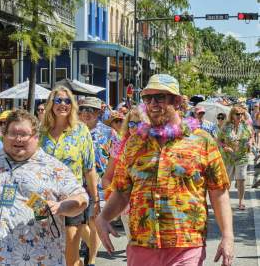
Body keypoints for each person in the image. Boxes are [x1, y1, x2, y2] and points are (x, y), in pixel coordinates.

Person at [96, 74, 234, 266]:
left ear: (176, 101)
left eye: (160, 97)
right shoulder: (134, 143)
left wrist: (228, 236)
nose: (152, 103)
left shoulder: (202, 141)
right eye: (147, 98)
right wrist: (103, 217)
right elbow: (121, 191)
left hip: (186, 244)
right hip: (142, 244)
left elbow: (218, 191)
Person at [0, 110, 88, 266]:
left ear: (36, 137)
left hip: (39, 259)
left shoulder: (53, 168)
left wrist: (61, 206)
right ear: (3, 135)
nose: (18, 139)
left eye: (24, 134)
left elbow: (81, 199)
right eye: (12, 133)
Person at [40, 86, 98, 266]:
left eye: (67, 101)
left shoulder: (81, 131)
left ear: (72, 105)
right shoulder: (40, 132)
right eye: (58, 100)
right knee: (45, 252)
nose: (62, 104)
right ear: (51, 104)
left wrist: (95, 200)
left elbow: (89, 168)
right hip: (44, 199)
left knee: (70, 254)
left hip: (73, 199)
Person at [78, 96, 118, 266]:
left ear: (99, 112)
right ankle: (89, 245)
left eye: (91, 110)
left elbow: (118, 159)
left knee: (94, 222)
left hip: (100, 184)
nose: (87, 113)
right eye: (83, 109)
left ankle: (91, 260)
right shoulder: (73, 131)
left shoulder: (109, 133)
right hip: (76, 184)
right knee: (77, 222)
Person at [102, 106, 149, 239]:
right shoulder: (119, 147)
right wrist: (114, 199)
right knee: (135, 248)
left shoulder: (157, 146)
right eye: (131, 123)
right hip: (129, 208)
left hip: (152, 206)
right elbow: (106, 178)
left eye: (139, 123)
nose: (134, 127)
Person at [218, 104, 253, 210]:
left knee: (241, 179)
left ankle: (241, 201)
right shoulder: (225, 126)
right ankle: (225, 201)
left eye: (242, 114)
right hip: (228, 157)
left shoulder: (246, 126)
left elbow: (251, 137)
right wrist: (225, 147)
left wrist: (250, 143)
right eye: (237, 114)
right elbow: (219, 140)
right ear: (232, 115)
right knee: (227, 180)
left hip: (242, 156)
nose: (240, 116)